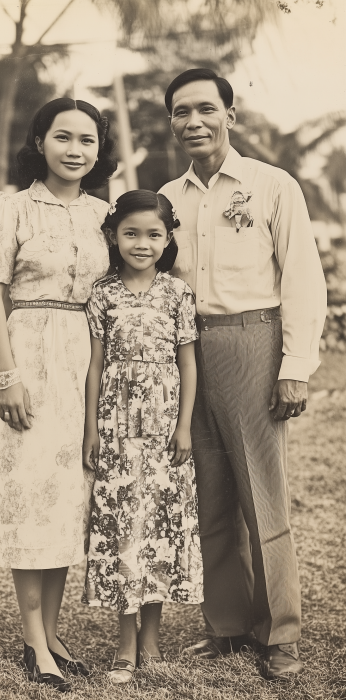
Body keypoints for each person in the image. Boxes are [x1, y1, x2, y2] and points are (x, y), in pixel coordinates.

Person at [159, 68, 327, 680]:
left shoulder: (270, 184)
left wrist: (295, 366)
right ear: (171, 121)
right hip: (184, 351)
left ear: (231, 114)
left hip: (252, 341)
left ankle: (278, 633)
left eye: (206, 109)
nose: (193, 122)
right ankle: (227, 625)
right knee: (208, 495)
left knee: (264, 495)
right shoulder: (167, 198)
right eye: (181, 112)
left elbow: (303, 275)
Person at [0, 97, 117, 692]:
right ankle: (34, 641)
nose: (75, 150)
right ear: (40, 142)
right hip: (29, 350)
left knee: (65, 499)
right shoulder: (10, 208)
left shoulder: (104, 214)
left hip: (84, 360)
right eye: (63, 137)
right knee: (30, 493)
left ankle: (52, 632)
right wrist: (8, 375)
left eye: (87, 141)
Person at [82, 190, 203, 685]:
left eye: (154, 234)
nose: (142, 243)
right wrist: (91, 426)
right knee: (122, 526)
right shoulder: (102, 293)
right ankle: (124, 641)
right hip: (116, 427)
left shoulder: (177, 293)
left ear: (168, 238)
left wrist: (184, 426)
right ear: (114, 236)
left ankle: (151, 638)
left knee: (158, 529)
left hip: (164, 430)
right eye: (131, 233)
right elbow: (94, 366)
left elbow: (188, 363)